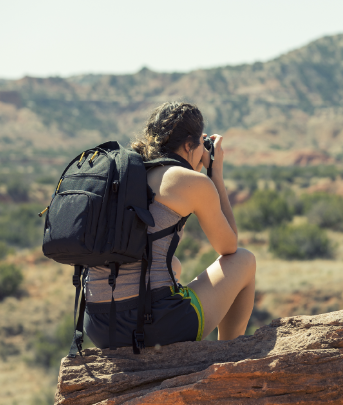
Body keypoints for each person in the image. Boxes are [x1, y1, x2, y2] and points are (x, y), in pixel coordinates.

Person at [83, 101, 256, 349]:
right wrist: (214, 173)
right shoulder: (189, 181)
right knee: (244, 260)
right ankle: (226, 354)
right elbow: (229, 247)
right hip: (153, 325)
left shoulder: (126, 176)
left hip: (100, 327)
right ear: (189, 144)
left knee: (174, 266)